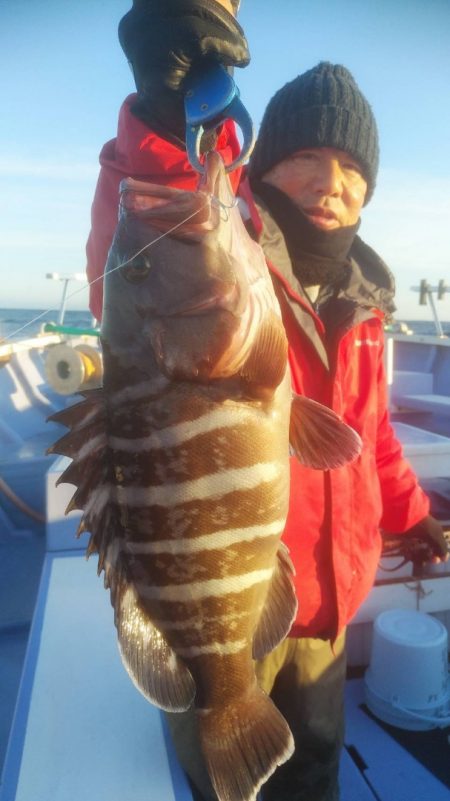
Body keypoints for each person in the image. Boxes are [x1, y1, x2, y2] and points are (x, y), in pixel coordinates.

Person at [86, 3, 449, 800]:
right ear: (260, 164)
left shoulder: (365, 303)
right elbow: (145, 215)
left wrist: (413, 511)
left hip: (323, 606)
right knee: (222, 777)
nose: (332, 183)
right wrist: (158, 115)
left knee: (316, 761)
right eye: (308, 158)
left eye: (353, 170)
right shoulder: (233, 250)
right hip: (223, 623)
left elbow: (371, 435)